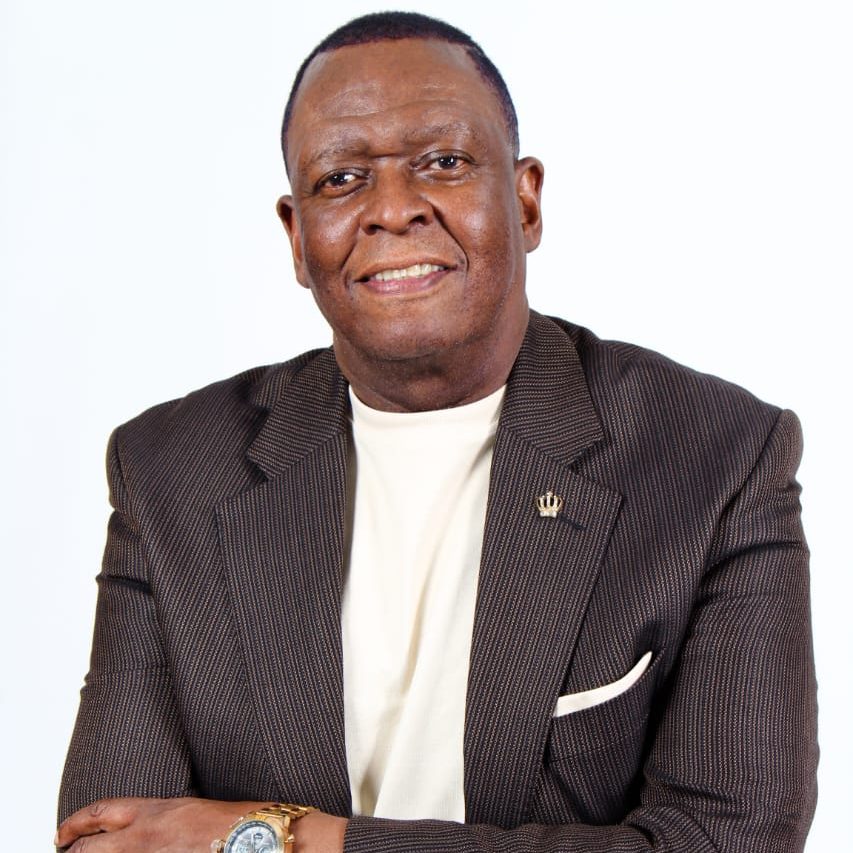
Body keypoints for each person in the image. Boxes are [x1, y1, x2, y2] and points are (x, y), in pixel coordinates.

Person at [55, 11, 818, 853]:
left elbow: (729, 840)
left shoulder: (716, 458)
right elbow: (110, 839)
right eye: (341, 178)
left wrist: (298, 841)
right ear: (298, 239)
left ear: (524, 200)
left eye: (444, 163)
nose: (391, 209)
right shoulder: (170, 471)